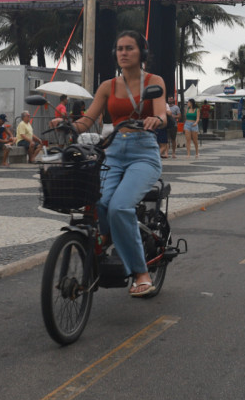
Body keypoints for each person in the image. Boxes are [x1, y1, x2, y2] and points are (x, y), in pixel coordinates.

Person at [65, 30, 168, 298]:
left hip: (143, 152)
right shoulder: (108, 86)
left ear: (142, 53)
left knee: (120, 207)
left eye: (129, 48)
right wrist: (67, 126)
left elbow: (161, 113)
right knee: (98, 202)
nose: (123, 53)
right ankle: (113, 244)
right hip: (113, 150)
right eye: (119, 48)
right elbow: (88, 119)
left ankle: (140, 272)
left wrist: (156, 120)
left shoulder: (154, 81)